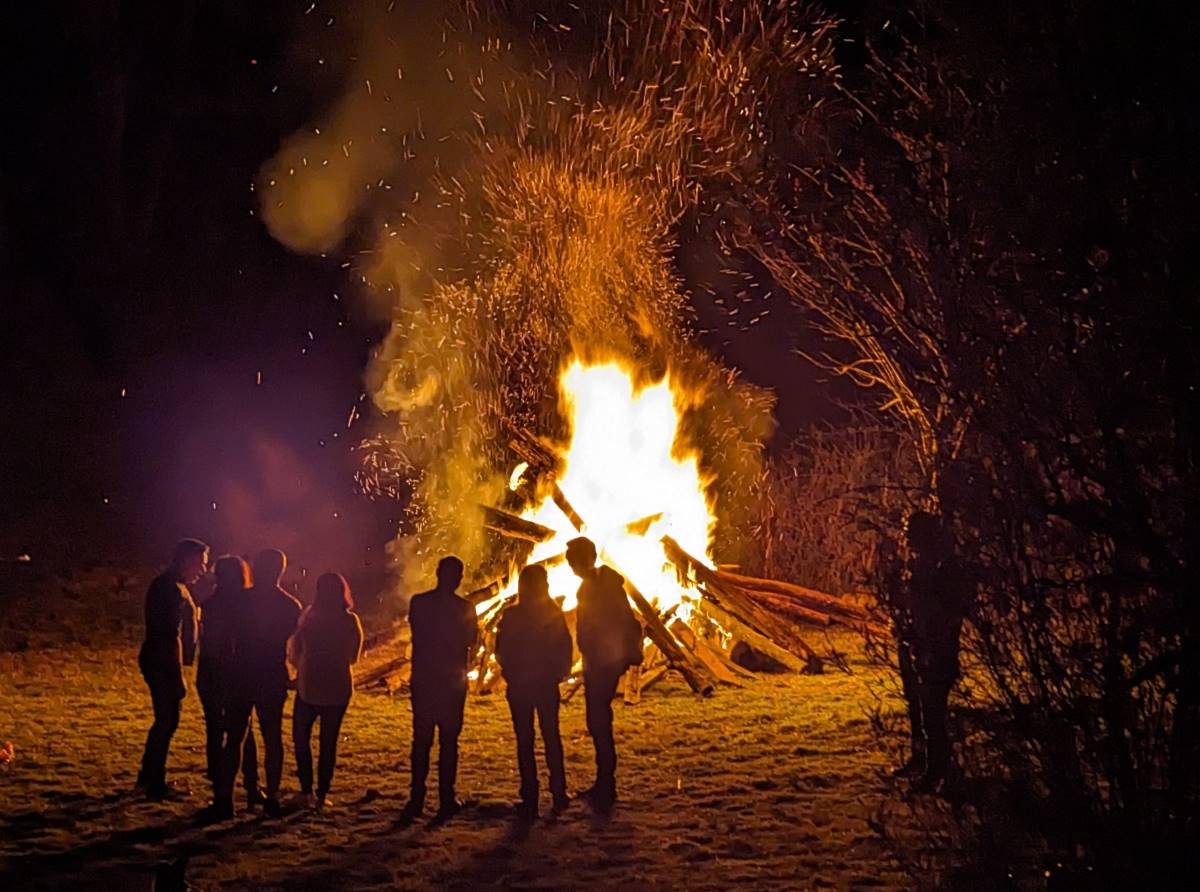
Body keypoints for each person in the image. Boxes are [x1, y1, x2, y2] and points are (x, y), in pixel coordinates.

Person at [893, 511, 971, 792]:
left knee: (933, 715)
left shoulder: (941, 567)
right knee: (922, 711)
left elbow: (944, 612)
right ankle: (924, 761)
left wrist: (932, 643)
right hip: (923, 647)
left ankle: (939, 771)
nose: (907, 538)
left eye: (912, 533)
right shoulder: (922, 565)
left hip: (937, 652)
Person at [566, 536, 643, 812]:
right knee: (598, 720)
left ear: (586, 559)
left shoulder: (602, 586)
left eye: (572, 560)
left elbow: (620, 621)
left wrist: (616, 656)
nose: (570, 566)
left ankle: (606, 786)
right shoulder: (593, 585)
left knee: (599, 721)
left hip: (603, 662)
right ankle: (603, 783)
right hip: (598, 660)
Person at [401, 555, 479, 823]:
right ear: (456, 577)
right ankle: (446, 798)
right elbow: (472, 641)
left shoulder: (419, 603)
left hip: (424, 678)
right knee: (448, 741)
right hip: (451, 682)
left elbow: (417, 632)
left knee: (421, 740)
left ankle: (417, 798)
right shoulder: (465, 608)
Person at [495, 564, 573, 821]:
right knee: (551, 737)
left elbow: (501, 649)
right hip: (543, 685)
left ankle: (530, 795)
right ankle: (558, 792)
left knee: (525, 741)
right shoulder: (552, 613)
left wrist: (510, 673)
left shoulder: (512, 615)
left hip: (520, 686)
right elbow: (565, 647)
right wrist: (558, 673)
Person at [137, 538, 207, 800]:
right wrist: (177, 671)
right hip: (162, 660)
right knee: (167, 720)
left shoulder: (173, 586)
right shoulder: (170, 589)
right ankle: (154, 781)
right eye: (199, 563)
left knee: (165, 720)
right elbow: (169, 634)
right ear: (187, 560)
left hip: (160, 659)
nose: (202, 570)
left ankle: (148, 776)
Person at [289, 572, 364, 810]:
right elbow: (353, 657)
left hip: (309, 685)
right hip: (337, 687)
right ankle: (321, 794)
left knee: (301, 738)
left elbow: (295, 650)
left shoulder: (310, 617)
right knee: (328, 742)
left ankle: (305, 788)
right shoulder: (350, 621)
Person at [241, 548, 302, 817]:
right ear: (281, 570)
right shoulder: (290, 605)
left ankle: (252, 786)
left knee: (245, 732)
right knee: (272, 734)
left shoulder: (241, 599)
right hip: (272, 673)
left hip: (243, 672)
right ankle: (273, 792)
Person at [196, 555, 256, 820]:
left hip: (212, 674)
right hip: (239, 674)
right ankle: (233, 795)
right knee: (238, 735)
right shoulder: (250, 605)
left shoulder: (210, 604)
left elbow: (207, 644)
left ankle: (228, 793)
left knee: (218, 732)